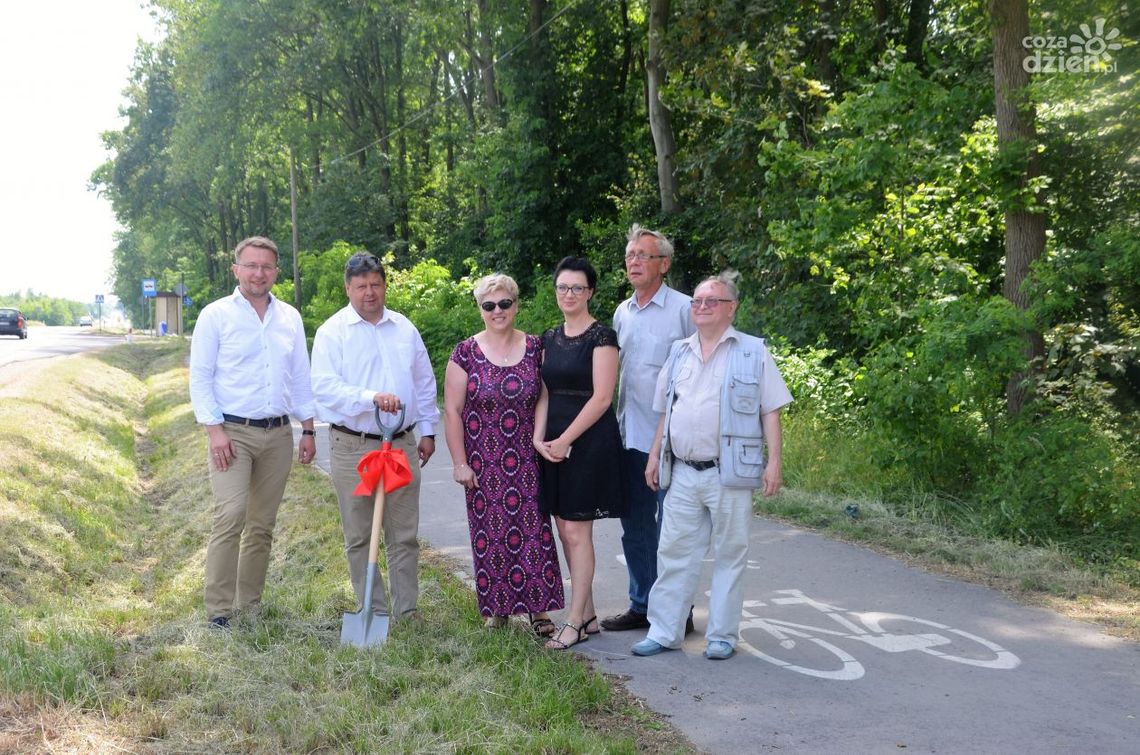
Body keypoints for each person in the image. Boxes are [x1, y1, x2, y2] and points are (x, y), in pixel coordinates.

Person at [632, 271, 792, 661]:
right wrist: (655, 455)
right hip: (683, 471)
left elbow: (770, 409)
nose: (701, 307)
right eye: (697, 301)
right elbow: (666, 412)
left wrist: (774, 462)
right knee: (672, 554)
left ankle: (721, 635)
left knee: (730, 554)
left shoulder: (753, 351)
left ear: (731, 308)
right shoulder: (678, 351)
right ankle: (665, 631)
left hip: (729, 473)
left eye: (712, 301)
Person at [188, 236, 317, 630]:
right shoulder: (215, 316)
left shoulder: (290, 318)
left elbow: (299, 378)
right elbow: (200, 377)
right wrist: (214, 431)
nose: (259, 273)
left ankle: (250, 606)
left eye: (266, 266)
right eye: (251, 265)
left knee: (262, 525)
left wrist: (308, 429)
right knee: (231, 515)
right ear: (236, 269)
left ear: (275, 272)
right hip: (232, 433)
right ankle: (219, 612)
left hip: (278, 435)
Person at [311, 252, 440, 620]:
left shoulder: (404, 328)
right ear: (348, 288)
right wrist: (371, 398)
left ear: (384, 286)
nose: (370, 292)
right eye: (361, 286)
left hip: (400, 443)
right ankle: (373, 610)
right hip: (355, 446)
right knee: (360, 536)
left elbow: (424, 383)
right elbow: (325, 388)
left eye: (376, 284)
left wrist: (427, 430)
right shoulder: (332, 332)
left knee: (403, 533)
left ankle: (407, 611)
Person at [443, 274, 565, 633]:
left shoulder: (535, 347)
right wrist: (459, 463)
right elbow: (452, 410)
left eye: (505, 303)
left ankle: (539, 609)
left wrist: (540, 438)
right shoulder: (465, 353)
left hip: (527, 457)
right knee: (491, 536)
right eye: (489, 305)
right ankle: (498, 609)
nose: (498, 311)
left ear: (516, 304)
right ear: (480, 309)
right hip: (484, 460)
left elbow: (544, 395)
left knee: (533, 532)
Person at [602, 224, 696, 634]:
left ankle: (678, 610)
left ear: (664, 264)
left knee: (672, 530)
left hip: (672, 440)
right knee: (636, 527)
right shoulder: (623, 312)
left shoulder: (685, 309)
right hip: (628, 435)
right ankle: (642, 603)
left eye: (643, 255)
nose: (634, 261)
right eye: (630, 255)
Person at [534, 256, 627, 650]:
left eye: (577, 288)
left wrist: (567, 438)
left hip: (587, 440)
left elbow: (603, 397)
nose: (568, 294)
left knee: (576, 529)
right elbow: (541, 392)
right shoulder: (547, 338)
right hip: (552, 440)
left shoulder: (601, 337)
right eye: (562, 287)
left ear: (589, 292)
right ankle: (586, 613)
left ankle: (573, 622)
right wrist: (541, 438)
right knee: (562, 527)